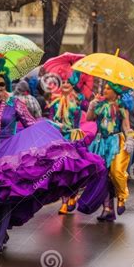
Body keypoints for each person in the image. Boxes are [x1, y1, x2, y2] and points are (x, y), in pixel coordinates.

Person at [0, 55, 105, 253]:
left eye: (2, 84)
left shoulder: (15, 105)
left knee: (6, 196)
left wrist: (52, 129)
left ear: (6, 85)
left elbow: (31, 125)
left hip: (9, 157)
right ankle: (0, 231)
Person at [78, 82, 134, 222]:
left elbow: (126, 126)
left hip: (116, 142)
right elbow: (89, 118)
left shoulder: (121, 107)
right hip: (100, 143)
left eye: (108, 88)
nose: (105, 90)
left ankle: (122, 197)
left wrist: (130, 139)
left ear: (116, 92)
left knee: (116, 173)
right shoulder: (99, 104)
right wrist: (92, 106)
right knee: (102, 176)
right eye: (104, 87)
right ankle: (107, 208)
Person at [47, 73, 86, 215]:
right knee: (61, 172)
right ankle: (64, 202)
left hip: (72, 139)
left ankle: (73, 195)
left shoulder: (77, 102)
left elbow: (79, 120)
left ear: (72, 86)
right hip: (58, 139)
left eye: (67, 83)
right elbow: (51, 119)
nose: (64, 85)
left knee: (73, 171)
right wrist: (56, 125)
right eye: (62, 82)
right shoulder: (55, 102)